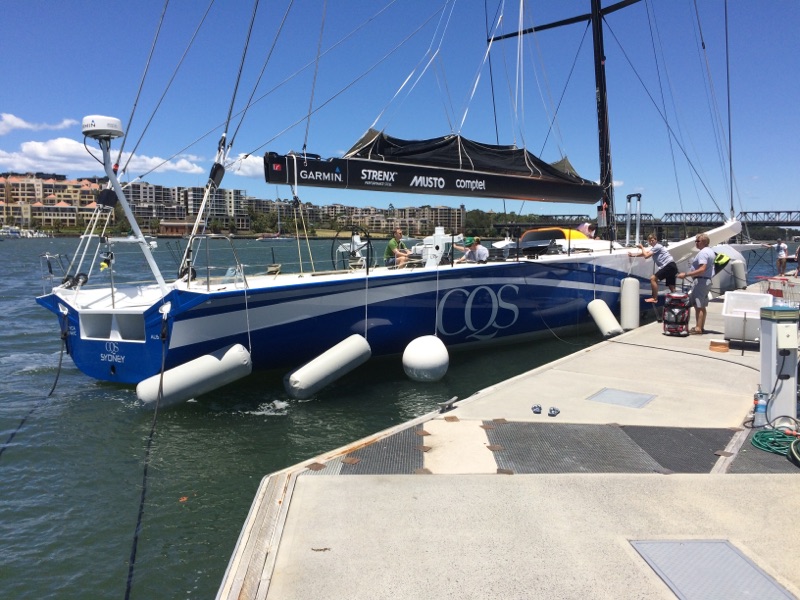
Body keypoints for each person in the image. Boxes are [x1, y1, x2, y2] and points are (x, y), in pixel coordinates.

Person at [677, 233, 715, 335]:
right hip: (706, 281)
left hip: (701, 281)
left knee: (698, 305)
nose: (696, 243)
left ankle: (698, 328)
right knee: (702, 305)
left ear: (704, 242)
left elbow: (702, 269)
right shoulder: (710, 251)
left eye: (697, 241)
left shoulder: (703, 253)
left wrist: (686, 274)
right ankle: (701, 326)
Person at [628, 234, 677, 303]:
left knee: (653, 279)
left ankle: (654, 298)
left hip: (668, 265)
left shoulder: (657, 246)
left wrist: (642, 247)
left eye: (652, 240)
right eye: (650, 241)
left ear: (656, 240)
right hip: (672, 266)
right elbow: (645, 253)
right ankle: (677, 299)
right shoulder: (655, 248)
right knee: (671, 286)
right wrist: (633, 255)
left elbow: (646, 256)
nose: (651, 242)